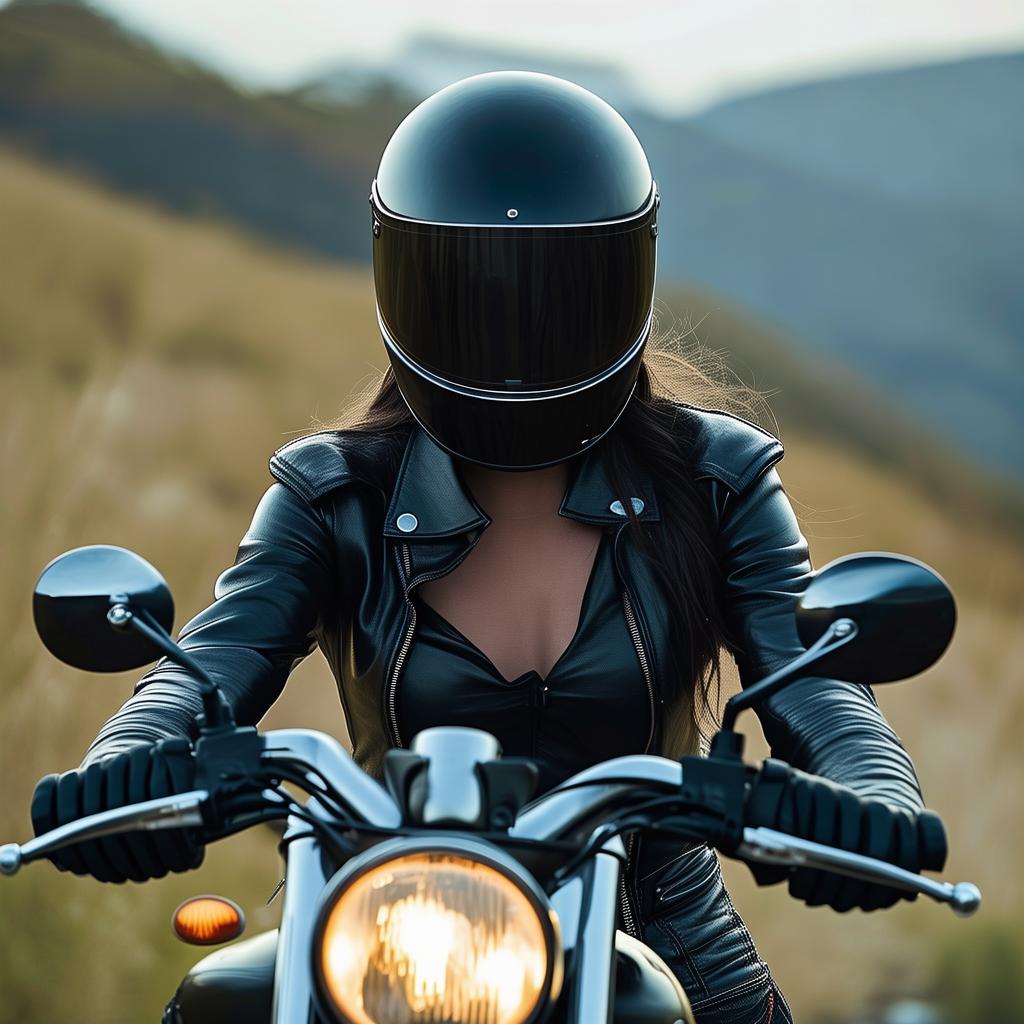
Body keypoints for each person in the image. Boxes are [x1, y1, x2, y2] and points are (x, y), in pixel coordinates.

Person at [31, 72, 941, 1023]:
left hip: (665, 942)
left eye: (553, 298)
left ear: (626, 279)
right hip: (373, 940)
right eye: (471, 293)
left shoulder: (716, 479)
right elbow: (213, 659)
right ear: (403, 281)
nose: (512, 338)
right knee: (224, 1003)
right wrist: (129, 763)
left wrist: (867, 792)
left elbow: (811, 677)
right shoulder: (331, 491)